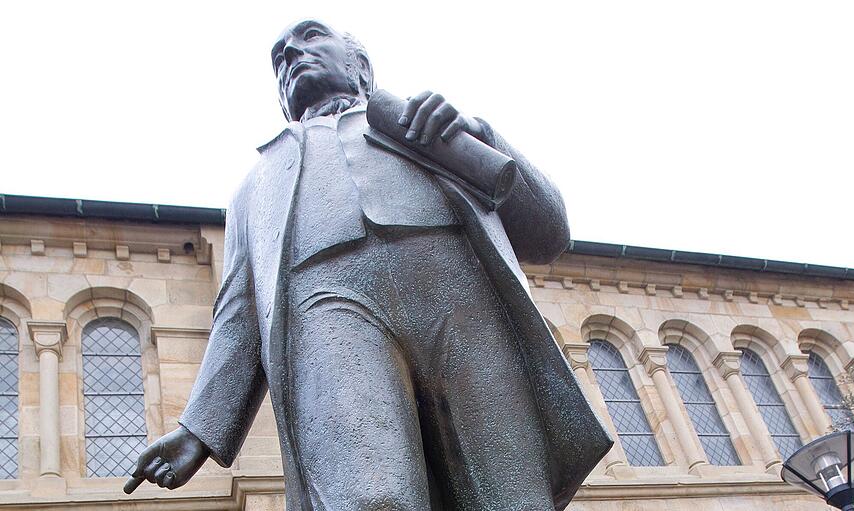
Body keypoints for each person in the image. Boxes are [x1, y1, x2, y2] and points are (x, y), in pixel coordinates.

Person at [126, 19, 611, 510]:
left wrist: (478, 134)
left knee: (510, 493)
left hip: (458, 292)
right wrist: (200, 428)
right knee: (368, 497)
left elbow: (549, 233)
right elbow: (239, 307)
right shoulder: (258, 182)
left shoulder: (421, 126)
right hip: (328, 306)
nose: (291, 54)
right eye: (279, 57)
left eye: (310, 37)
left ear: (359, 65)